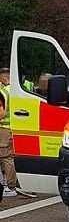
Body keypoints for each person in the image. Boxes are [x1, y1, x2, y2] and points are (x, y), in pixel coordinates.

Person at [0, 68, 34, 198]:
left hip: (4, 128)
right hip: (15, 127)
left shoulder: (4, 92)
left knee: (6, 158)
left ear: (4, 77)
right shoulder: (17, 90)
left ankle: (10, 187)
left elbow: (1, 113)